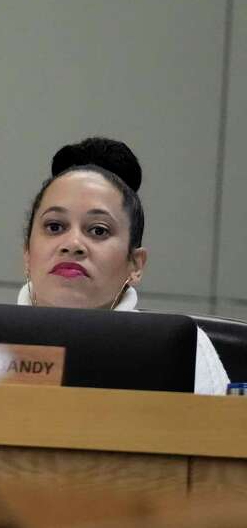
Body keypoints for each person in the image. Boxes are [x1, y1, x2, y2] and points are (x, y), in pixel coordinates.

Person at [19, 136, 229, 395]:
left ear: (135, 265)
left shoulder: (186, 352)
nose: (72, 244)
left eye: (98, 230)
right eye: (55, 227)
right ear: (27, 254)